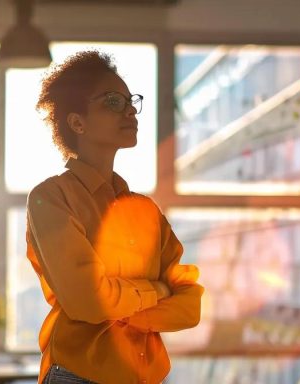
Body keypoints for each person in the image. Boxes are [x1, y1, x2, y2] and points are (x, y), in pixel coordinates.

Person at [26, 50, 204, 384]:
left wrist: (121, 304)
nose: (131, 110)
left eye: (130, 101)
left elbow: (190, 304)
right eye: (113, 102)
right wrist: (156, 291)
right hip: (79, 376)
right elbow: (89, 302)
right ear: (77, 122)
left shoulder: (146, 210)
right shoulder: (51, 198)